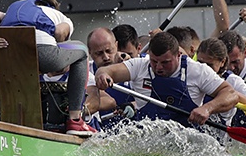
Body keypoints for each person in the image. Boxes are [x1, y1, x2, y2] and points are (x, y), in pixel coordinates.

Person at [0, 0, 97, 136]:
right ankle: (75, 120)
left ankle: (6, 119)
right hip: (42, 53)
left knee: (3, 62)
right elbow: (59, 33)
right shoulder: (58, 15)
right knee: (82, 52)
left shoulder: (15, 7)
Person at [94, 31, 237, 127]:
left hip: (188, 139)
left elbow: (230, 94)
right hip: (149, 138)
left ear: (178, 56)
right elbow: (106, 71)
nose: (159, 68)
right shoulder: (139, 65)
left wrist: (207, 109)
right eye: (154, 62)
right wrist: (102, 75)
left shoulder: (197, 70)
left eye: (165, 62)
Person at [195, 37, 246, 127]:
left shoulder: (233, 81)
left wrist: (228, 93)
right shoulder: (192, 72)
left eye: (209, 65)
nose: (203, 69)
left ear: (222, 62)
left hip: (217, 135)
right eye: (200, 63)